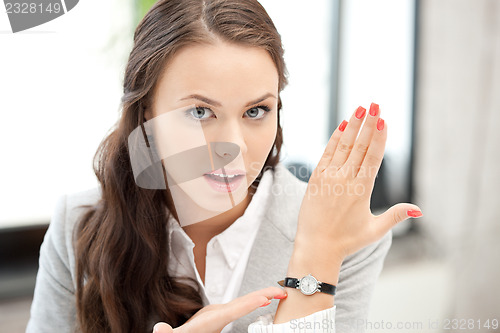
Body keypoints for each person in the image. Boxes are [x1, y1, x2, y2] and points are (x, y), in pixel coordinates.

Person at [26, 0, 423, 332]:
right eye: (201, 111)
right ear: (147, 112)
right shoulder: (78, 225)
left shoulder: (340, 235)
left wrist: (317, 252)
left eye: (256, 110)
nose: (233, 146)